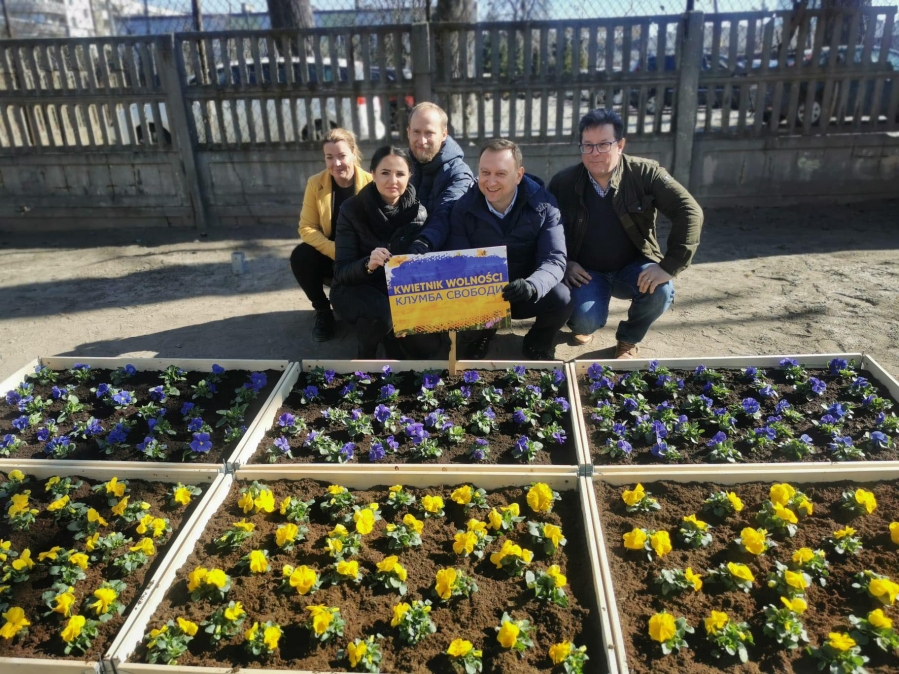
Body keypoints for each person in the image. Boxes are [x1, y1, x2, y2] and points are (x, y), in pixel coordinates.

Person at [549, 108, 703, 358]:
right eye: (587, 145)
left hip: (634, 267)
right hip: (587, 273)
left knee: (661, 290)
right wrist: (564, 263)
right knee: (584, 321)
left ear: (620, 145)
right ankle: (584, 325)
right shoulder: (564, 182)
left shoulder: (645, 174)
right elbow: (545, 228)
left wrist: (669, 265)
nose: (594, 153)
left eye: (603, 145)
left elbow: (689, 210)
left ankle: (628, 339)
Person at [445, 138, 572, 360]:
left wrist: (532, 285)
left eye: (501, 174)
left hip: (526, 292)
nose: (491, 181)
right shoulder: (463, 207)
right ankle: (483, 333)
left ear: (519, 175)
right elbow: (460, 260)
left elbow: (554, 259)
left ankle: (537, 343)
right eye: (485, 172)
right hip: (484, 295)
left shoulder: (544, 205)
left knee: (563, 298)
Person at [331, 146, 444, 359]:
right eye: (385, 173)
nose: (393, 180)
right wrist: (367, 264)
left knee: (428, 348)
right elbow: (341, 272)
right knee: (381, 314)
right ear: (372, 173)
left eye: (400, 174)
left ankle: (389, 334)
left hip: (398, 290)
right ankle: (366, 355)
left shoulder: (419, 212)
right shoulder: (351, 209)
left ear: (410, 176)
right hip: (356, 286)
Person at [290, 129, 373, 342]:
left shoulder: (372, 183)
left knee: (363, 315)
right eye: (329, 157)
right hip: (333, 255)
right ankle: (323, 311)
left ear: (353, 153)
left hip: (363, 258)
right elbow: (306, 227)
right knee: (301, 255)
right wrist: (336, 251)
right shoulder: (315, 183)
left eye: (342, 156)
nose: (336, 163)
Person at [401, 102, 474, 254]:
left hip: (442, 257)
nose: (422, 140)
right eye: (416, 132)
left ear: (443, 134)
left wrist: (423, 242)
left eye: (429, 133)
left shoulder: (459, 174)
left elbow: (445, 213)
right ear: (408, 132)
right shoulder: (398, 165)